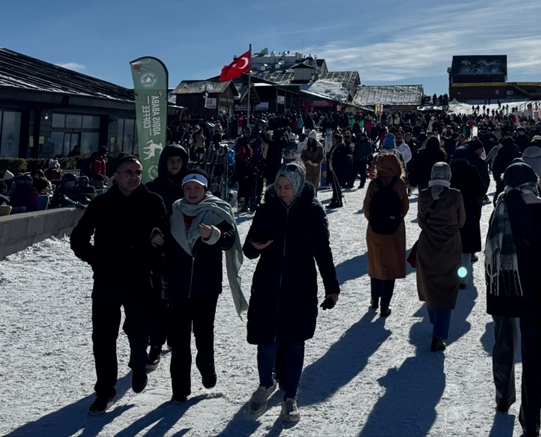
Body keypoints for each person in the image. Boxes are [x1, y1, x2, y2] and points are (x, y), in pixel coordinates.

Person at [70, 153, 168, 413]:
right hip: (107, 279)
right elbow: (78, 238)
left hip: (140, 277)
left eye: (137, 172)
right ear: (115, 175)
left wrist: (159, 239)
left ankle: (138, 362)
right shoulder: (101, 204)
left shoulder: (152, 201)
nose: (134, 176)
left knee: (138, 331)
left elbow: (164, 232)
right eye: (128, 172)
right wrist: (95, 259)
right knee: (103, 337)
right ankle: (104, 391)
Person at [243, 164, 339, 422]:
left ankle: (290, 397)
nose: (283, 192)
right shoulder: (266, 210)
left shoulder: (312, 212)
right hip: (267, 284)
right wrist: (256, 246)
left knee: (295, 342)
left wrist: (332, 287)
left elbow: (323, 251)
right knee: (266, 342)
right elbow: (248, 249)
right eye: (279, 187)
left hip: (300, 286)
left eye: (288, 187)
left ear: (298, 186)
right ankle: (265, 384)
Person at [485, 161, 541, 437]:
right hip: (533, 291)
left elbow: (490, 253)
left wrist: (492, 285)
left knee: (503, 345)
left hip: (502, 288)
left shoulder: (498, 208)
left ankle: (502, 397)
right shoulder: (538, 207)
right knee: (534, 358)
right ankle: (530, 419)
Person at [162, 171, 246, 402]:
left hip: (206, 286)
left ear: (205, 189)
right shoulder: (175, 211)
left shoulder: (216, 210)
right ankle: (179, 389)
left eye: (196, 188)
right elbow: (166, 241)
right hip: (178, 285)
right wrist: (157, 237)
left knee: (203, 333)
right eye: (188, 188)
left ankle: (206, 364)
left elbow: (230, 238)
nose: (191, 193)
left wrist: (214, 234)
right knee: (179, 340)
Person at [415, 162, 466, 351]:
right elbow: (461, 221)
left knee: (429, 284)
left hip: (428, 244)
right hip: (450, 245)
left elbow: (421, 221)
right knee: (447, 287)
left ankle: (434, 319)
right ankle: (439, 334)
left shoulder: (424, 194)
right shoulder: (455, 195)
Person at [363, 151, 409, 316]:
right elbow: (405, 208)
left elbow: (366, 209)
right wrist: (395, 220)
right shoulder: (400, 184)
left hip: (375, 230)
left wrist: (374, 221)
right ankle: (385, 306)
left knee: (376, 263)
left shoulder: (373, 185)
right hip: (395, 231)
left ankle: (374, 299)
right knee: (391, 266)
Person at [450, 146, 485, 289]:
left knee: (452, 245)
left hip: (451, 212)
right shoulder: (471, 170)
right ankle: (462, 278)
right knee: (466, 247)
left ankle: (450, 274)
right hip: (469, 211)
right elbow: (481, 189)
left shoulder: (450, 170)